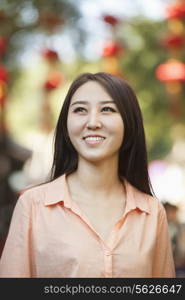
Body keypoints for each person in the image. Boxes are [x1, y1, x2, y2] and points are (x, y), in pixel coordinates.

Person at [0, 72, 175, 278]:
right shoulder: (33, 206)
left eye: (107, 109)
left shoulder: (152, 212)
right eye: (80, 110)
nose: (92, 122)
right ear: (66, 125)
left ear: (129, 124)